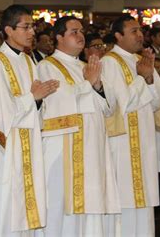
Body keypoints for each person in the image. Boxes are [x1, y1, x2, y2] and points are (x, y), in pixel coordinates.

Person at [0, 5, 59, 235]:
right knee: (7, 212)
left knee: (27, 211)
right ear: (9, 30)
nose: (32, 31)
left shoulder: (28, 61)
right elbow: (0, 114)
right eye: (26, 26)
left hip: (30, 146)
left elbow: (35, 106)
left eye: (32, 26)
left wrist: (38, 101)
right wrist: (33, 97)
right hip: (7, 152)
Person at [36, 16, 120, 236]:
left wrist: (98, 83)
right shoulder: (46, 66)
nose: (80, 35)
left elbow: (109, 107)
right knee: (62, 210)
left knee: (91, 211)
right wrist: (89, 83)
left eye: (81, 31)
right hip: (63, 149)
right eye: (74, 31)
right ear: (59, 37)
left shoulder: (87, 66)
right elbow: (58, 105)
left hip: (93, 148)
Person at [101, 15, 160, 236]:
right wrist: (142, 78)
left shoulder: (141, 60)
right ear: (118, 36)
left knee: (145, 203)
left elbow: (159, 101)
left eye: (140, 30)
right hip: (123, 144)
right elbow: (123, 104)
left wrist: (149, 79)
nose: (140, 35)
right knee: (125, 200)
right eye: (133, 31)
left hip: (144, 140)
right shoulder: (109, 62)